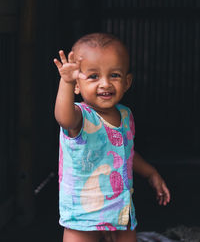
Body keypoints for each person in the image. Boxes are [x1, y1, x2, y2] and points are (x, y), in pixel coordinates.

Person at [54, 33, 170, 242]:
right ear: (77, 86)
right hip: (83, 216)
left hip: (120, 211)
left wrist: (151, 172)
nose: (105, 84)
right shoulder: (80, 116)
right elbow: (63, 117)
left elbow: (127, 153)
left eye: (114, 75)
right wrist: (66, 83)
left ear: (127, 82)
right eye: (93, 76)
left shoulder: (125, 116)